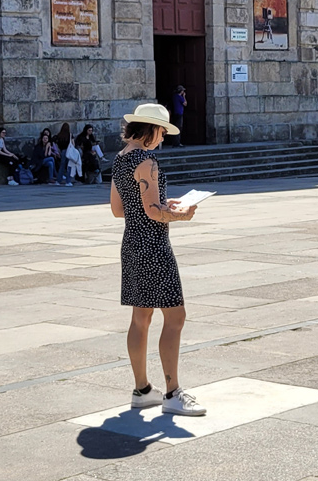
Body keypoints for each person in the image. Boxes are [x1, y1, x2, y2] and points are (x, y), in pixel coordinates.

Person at [110, 102, 205, 417]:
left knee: (141, 318)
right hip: (154, 247)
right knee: (175, 318)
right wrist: (180, 215)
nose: (163, 138)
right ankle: (172, 392)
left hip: (132, 245)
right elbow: (152, 212)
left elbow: (119, 209)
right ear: (151, 130)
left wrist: (163, 202)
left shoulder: (120, 159)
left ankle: (142, 390)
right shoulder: (147, 161)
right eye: (162, 132)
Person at [56, 122, 78, 186]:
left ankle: (58, 181)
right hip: (69, 151)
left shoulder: (59, 135)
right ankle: (68, 181)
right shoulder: (70, 135)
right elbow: (73, 144)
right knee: (69, 167)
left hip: (62, 151)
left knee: (62, 166)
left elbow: (57, 143)